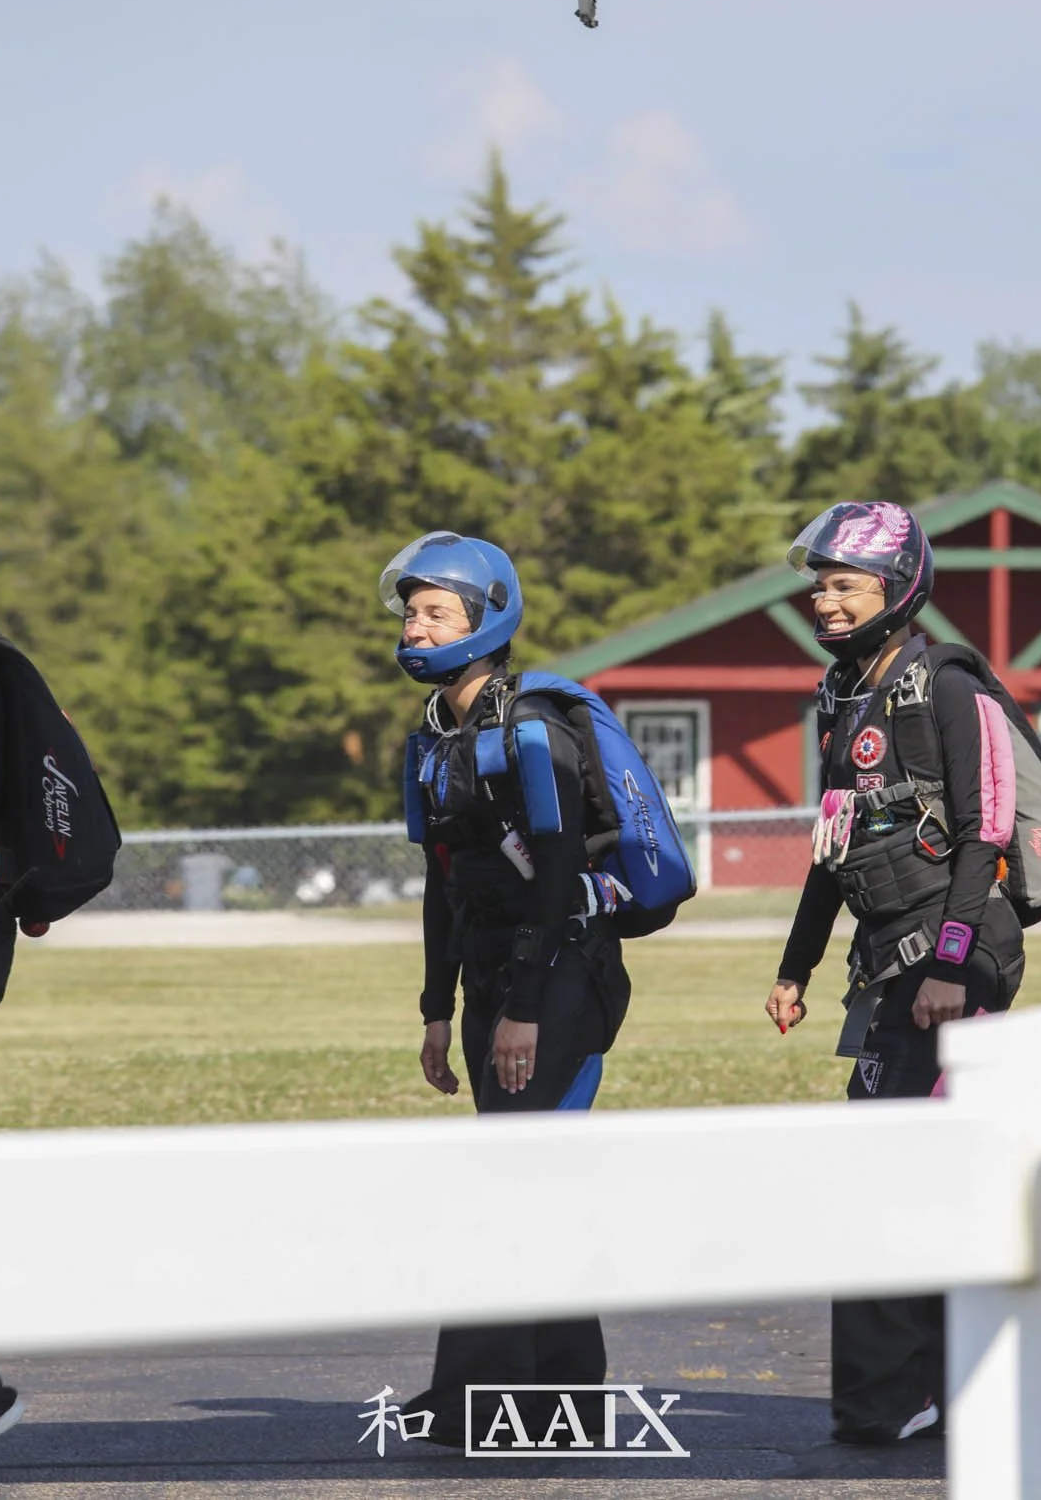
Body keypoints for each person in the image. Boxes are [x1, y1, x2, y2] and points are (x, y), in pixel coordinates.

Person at [763, 500, 1029, 1446]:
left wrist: (952, 962)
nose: (824, 601)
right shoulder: (843, 693)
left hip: (961, 961)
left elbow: (985, 829)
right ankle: (930, 1381)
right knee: (899, 1170)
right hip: (890, 965)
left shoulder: (947, 680)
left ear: (898, 584)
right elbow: (835, 844)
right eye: (819, 584)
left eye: (844, 584)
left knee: (899, 1170)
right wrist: (797, 966)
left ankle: (912, 1389)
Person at [386, 531, 631, 1443]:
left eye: (436, 609)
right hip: (498, 978)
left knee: (514, 1181)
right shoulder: (438, 737)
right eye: (412, 609)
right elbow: (443, 883)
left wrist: (525, 1007)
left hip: (560, 975)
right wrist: (437, 1010)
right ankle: (553, 1397)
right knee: (528, 1180)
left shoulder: (531, 724)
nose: (417, 623)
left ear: (487, 618)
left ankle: (488, 1399)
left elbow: (562, 861)